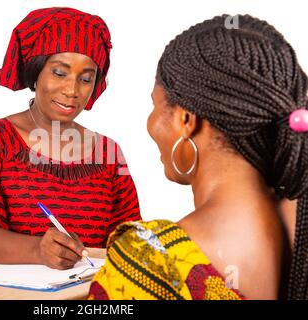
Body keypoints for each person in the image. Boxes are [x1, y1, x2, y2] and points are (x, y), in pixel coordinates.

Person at [88, 14, 308, 300]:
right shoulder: (300, 219)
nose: (151, 120)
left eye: (155, 104)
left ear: (187, 119)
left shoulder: (150, 263)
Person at [0, 7, 141, 270]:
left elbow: (130, 238)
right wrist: (37, 250)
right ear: (36, 72)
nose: (72, 90)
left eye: (86, 78)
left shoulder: (107, 152)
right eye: (59, 73)